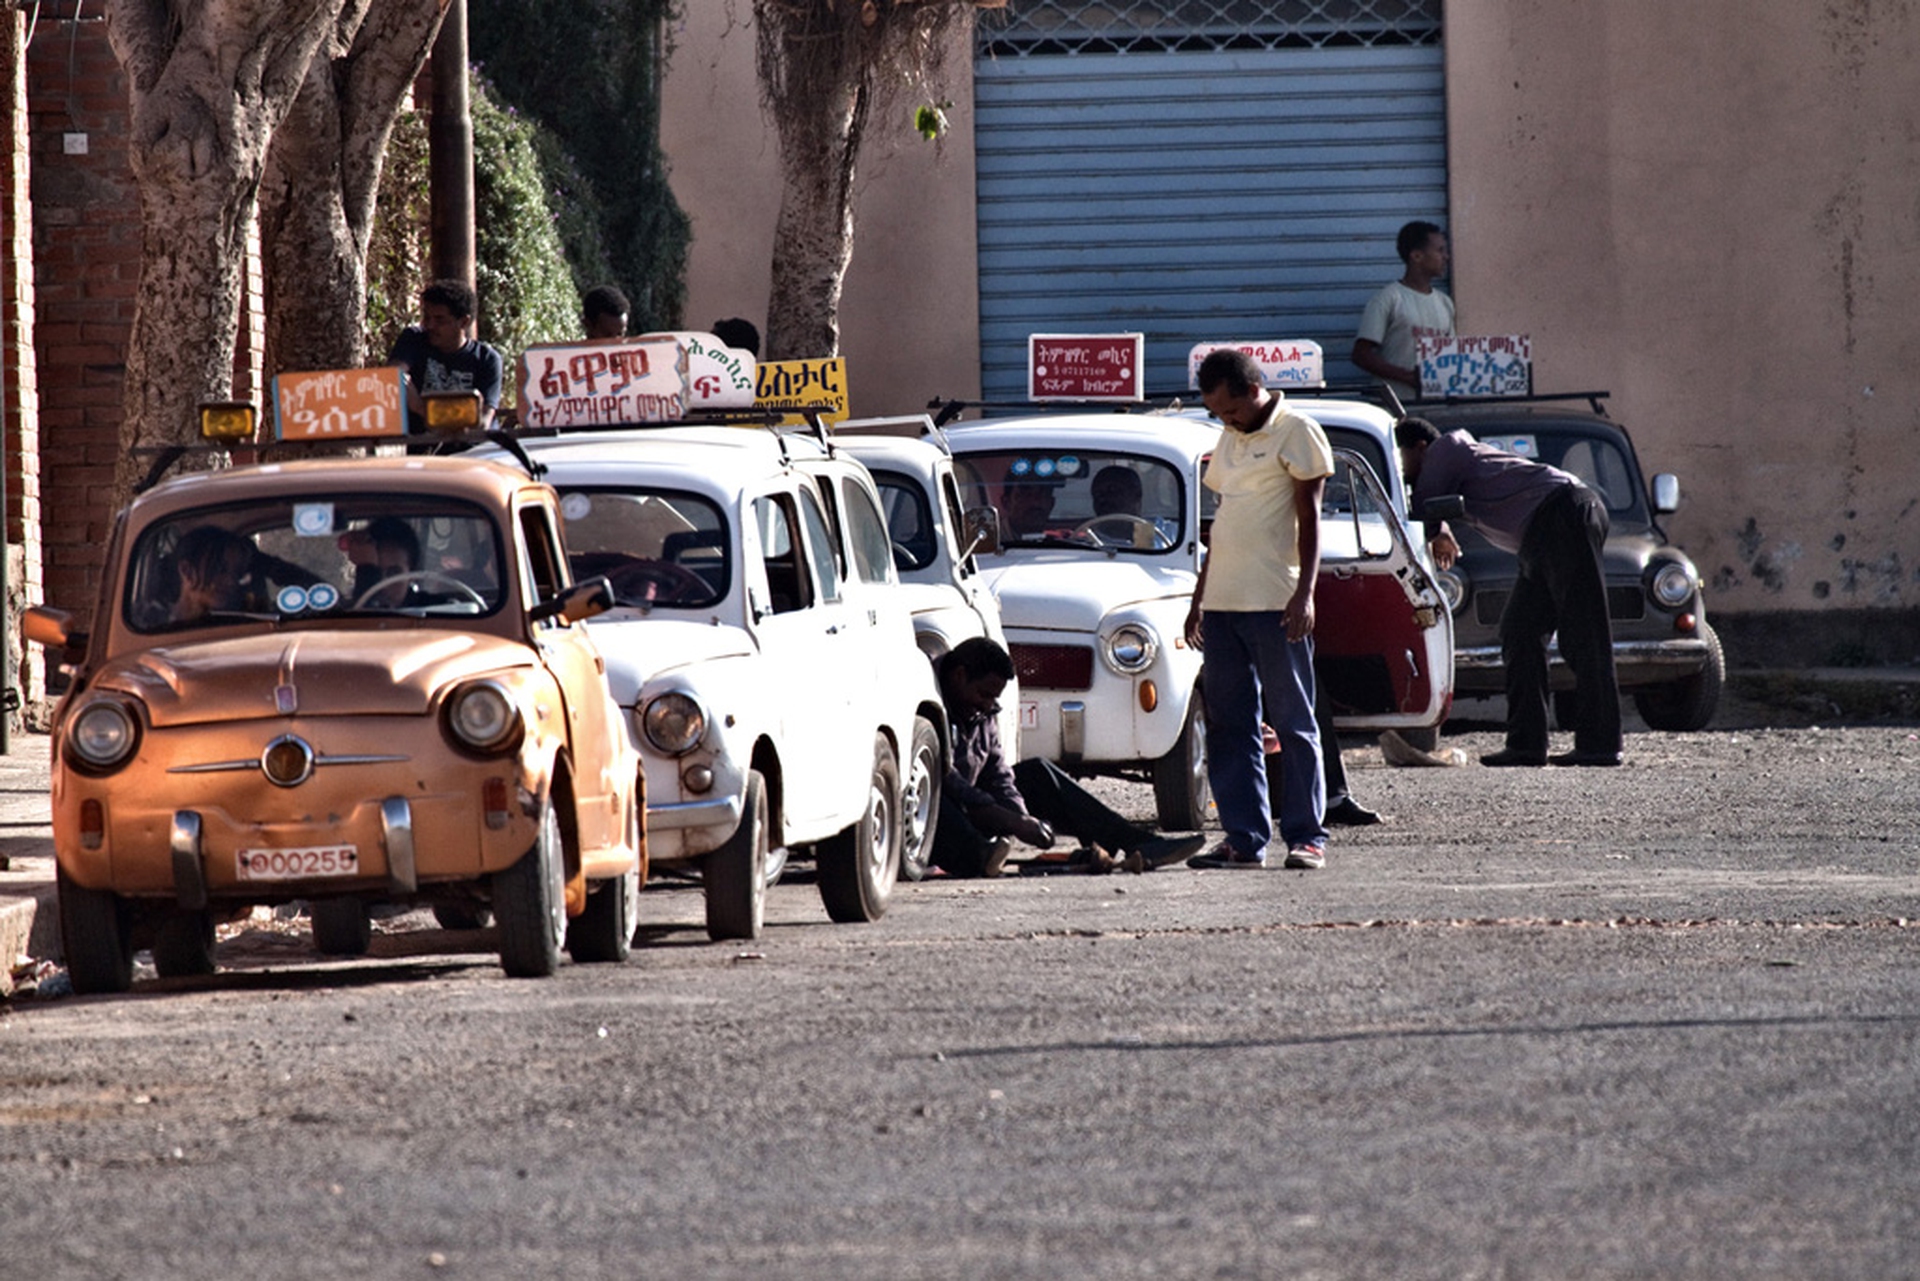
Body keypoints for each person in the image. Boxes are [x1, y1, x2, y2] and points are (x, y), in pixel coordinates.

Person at [1395, 415, 1622, 767]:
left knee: (1585, 634)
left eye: (1402, 458)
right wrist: (1440, 527)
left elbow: (1421, 513)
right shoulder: (1454, 457)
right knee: (1520, 632)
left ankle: (1600, 745)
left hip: (1562, 515)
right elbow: (1432, 513)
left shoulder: (1445, 449)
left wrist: (1436, 527)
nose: (1402, 469)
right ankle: (1527, 745)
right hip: (1541, 535)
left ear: (1420, 447)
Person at [1185, 347, 1334, 870]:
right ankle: (1243, 839)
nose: (1225, 420)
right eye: (1217, 414)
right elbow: (1221, 524)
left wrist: (1305, 593)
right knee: (1231, 725)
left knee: (1293, 722)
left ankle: (1307, 837)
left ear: (1253, 390)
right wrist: (1199, 599)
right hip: (1223, 605)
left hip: (1276, 601)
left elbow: (1311, 517)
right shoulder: (1229, 439)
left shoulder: (1298, 432)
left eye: (1230, 410)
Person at [933, 637, 1204, 878]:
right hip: (945, 807)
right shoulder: (931, 701)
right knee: (941, 799)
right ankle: (980, 857)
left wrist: (1022, 817)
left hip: (978, 805)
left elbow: (997, 772)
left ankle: (1138, 842)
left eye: (994, 698)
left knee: (1038, 772)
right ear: (959, 676)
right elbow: (947, 778)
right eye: (984, 694)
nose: (988, 704)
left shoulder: (981, 710)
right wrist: (1010, 821)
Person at [1352, 220, 1456, 404]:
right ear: (1416, 256)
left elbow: (1451, 355)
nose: (1446, 257)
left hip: (1434, 407)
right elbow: (1361, 355)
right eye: (1440, 251)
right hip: (1394, 407)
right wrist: (1408, 377)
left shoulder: (1445, 303)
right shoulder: (1388, 299)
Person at [388, 279, 504, 432]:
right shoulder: (414, 340)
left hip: (470, 450)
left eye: (439, 320)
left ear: (463, 322)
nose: (430, 325)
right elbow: (393, 377)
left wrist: (423, 409)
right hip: (421, 448)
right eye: (427, 318)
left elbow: (483, 422)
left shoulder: (487, 359)